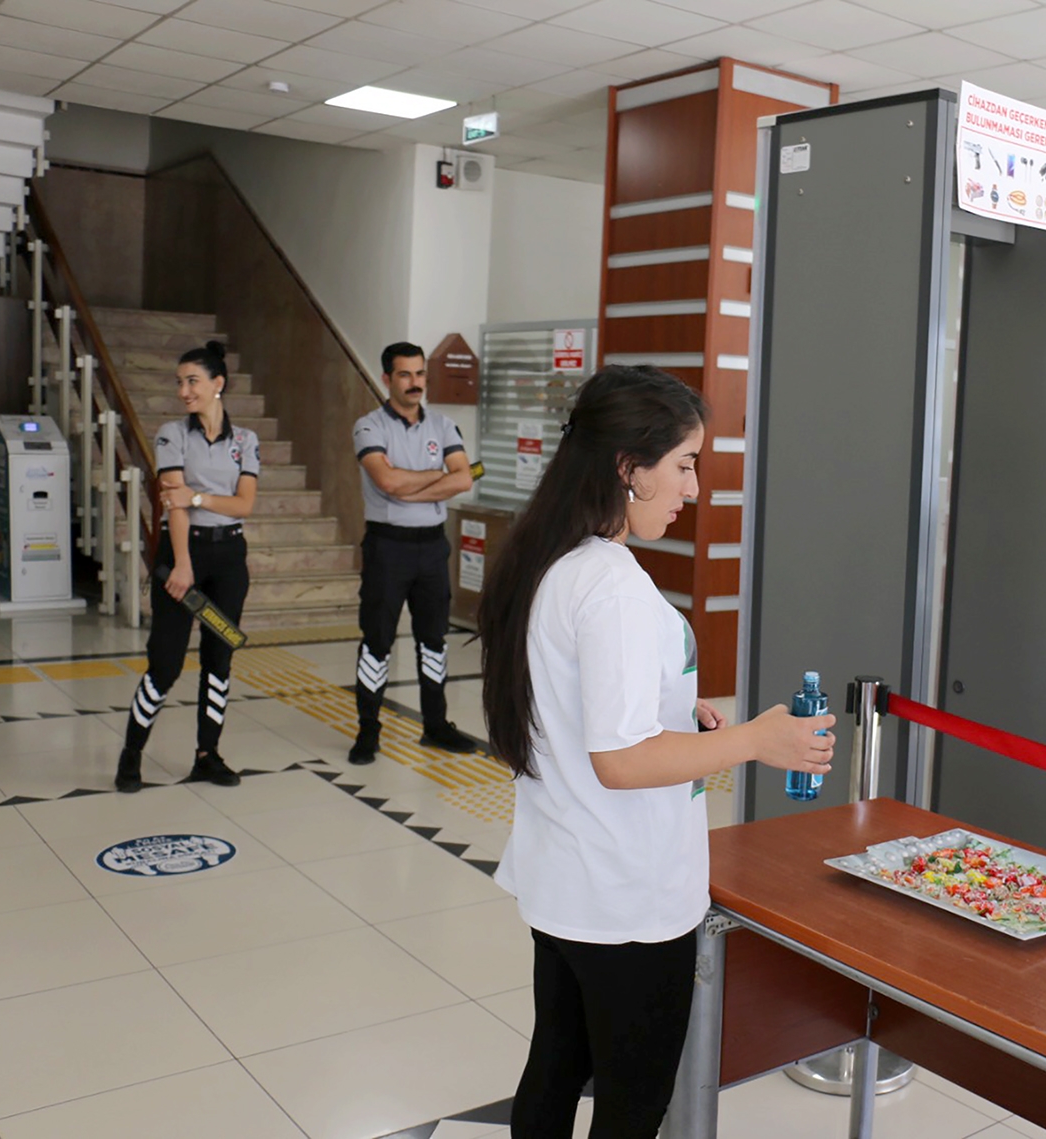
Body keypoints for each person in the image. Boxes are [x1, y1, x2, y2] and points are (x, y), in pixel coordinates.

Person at [477, 365, 835, 1138]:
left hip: (567, 877)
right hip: (625, 897)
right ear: (627, 467)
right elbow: (620, 759)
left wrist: (678, 713)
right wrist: (755, 739)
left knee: (556, 1064)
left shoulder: (555, 561)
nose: (693, 488)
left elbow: (581, 710)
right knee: (632, 1104)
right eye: (683, 463)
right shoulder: (611, 585)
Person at [115, 341, 258, 792]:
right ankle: (131, 753)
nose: (183, 391)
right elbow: (172, 505)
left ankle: (207, 756)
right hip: (182, 556)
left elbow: (244, 505)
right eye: (179, 383)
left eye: (192, 381)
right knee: (166, 663)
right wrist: (182, 564)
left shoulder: (246, 441)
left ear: (218, 384)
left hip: (229, 559)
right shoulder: (171, 434)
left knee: (219, 659)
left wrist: (197, 496)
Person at [348, 341, 476, 763]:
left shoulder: (443, 425)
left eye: (420, 373)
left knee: (433, 639)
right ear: (387, 379)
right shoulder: (369, 427)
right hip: (388, 546)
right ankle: (368, 730)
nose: (415, 382)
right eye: (405, 374)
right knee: (377, 640)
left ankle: (435, 725)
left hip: (431, 546)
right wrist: (435, 477)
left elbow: (463, 479)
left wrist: (411, 486)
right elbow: (387, 482)